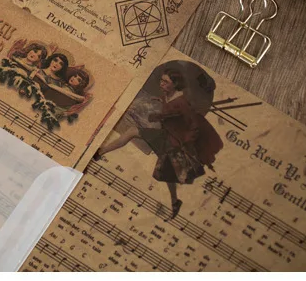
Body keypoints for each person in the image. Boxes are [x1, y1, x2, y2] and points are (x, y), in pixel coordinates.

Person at [95, 68, 222, 219]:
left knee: (165, 169)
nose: (161, 84)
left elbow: (193, 125)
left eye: (165, 82)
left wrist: (185, 143)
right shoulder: (169, 95)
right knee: (164, 168)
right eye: (161, 80)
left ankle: (101, 151)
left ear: (175, 84)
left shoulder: (182, 102)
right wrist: (162, 102)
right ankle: (101, 151)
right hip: (167, 135)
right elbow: (170, 107)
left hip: (173, 141)